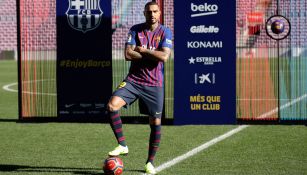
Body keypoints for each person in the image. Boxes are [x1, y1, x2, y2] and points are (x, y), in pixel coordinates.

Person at [106, 1, 172, 174]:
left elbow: (164, 57)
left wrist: (142, 51)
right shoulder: (135, 29)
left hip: (154, 84)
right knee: (112, 106)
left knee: (155, 122)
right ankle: (122, 144)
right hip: (134, 80)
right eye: (149, 11)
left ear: (159, 13)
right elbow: (128, 54)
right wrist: (152, 54)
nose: (152, 14)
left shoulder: (165, 31)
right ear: (144, 13)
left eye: (155, 11)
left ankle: (149, 162)